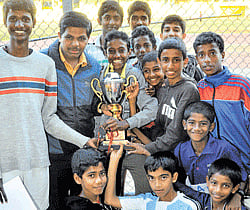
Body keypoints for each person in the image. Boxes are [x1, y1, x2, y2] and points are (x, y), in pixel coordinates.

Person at [0, 1, 97, 209]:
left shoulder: (44, 65)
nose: (19, 24)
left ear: (34, 22)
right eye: (13, 19)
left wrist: (84, 141)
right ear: (4, 21)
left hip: (38, 162)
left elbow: (49, 119)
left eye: (25, 19)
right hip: (5, 164)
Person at [40, 11, 103, 209]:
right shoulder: (44, 62)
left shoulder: (94, 66)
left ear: (88, 39)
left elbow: (96, 103)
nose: (75, 44)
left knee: (82, 203)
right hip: (54, 150)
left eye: (81, 38)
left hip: (84, 147)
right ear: (59, 35)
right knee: (54, 202)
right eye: (69, 37)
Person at [194, 32, 250, 200]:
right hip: (214, 167)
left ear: (222, 55)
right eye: (201, 55)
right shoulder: (199, 88)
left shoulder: (241, 85)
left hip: (243, 164)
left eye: (212, 53)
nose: (207, 60)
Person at [101, 30, 158, 195]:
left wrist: (126, 124)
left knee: (144, 190)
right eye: (111, 51)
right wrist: (102, 108)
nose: (116, 55)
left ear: (129, 52)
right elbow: (97, 106)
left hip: (132, 141)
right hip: (108, 143)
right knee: (108, 191)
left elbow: (151, 109)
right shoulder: (102, 73)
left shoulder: (134, 75)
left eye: (121, 50)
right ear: (105, 53)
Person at [128, 37, 200, 156]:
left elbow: (176, 133)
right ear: (159, 61)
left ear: (185, 62)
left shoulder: (188, 89)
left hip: (177, 153)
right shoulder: (163, 86)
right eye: (165, 60)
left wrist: (148, 148)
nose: (170, 66)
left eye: (176, 60)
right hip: (159, 147)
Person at [174, 101, 247, 193]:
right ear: (184, 124)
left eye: (203, 124)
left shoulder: (224, 149)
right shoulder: (181, 149)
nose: (197, 128)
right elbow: (176, 179)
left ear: (211, 127)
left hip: (220, 196)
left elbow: (242, 177)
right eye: (192, 123)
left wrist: (238, 195)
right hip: (193, 197)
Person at [105, 146, 201, 209]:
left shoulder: (188, 206)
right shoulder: (145, 201)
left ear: (174, 177)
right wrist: (114, 160)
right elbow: (110, 200)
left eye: (163, 178)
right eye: (152, 178)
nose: (157, 185)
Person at [175, 158, 247, 210]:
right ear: (207, 181)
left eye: (225, 185)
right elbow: (187, 191)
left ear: (234, 188)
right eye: (214, 183)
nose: (218, 190)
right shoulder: (205, 199)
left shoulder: (238, 208)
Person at [160, 14, 204, 83]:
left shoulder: (194, 70)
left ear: (183, 36)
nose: (171, 33)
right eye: (167, 30)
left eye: (176, 30)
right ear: (161, 36)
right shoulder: (155, 66)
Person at [85, 0, 123, 69]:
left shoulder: (126, 47)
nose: (111, 22)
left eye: (116, 19)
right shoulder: (89, 49)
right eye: (107, 18)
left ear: (121, 22)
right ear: (99, 21)